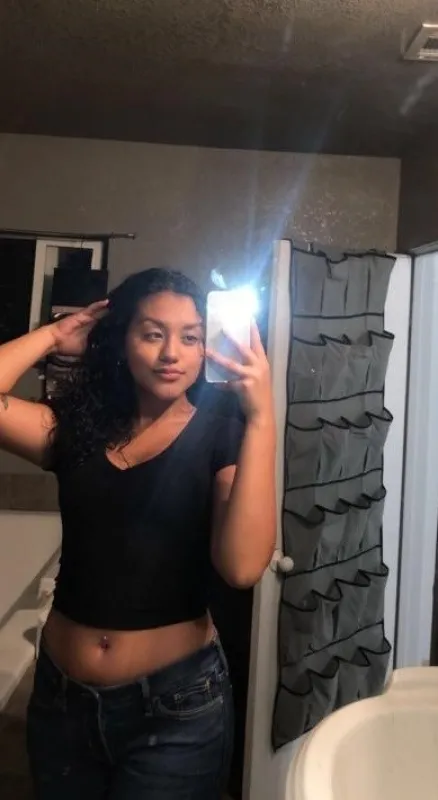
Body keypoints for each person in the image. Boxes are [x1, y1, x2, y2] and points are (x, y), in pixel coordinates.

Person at [0, 267, 276, 799]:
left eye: (190, 337)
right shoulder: (75, 428)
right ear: (122, 340)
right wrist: (53, 335)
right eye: (152, 334)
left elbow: (242, 567)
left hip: (177, 710)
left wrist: (262, 417)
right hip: (61, 703)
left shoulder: (221, 431)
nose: (171, 353)